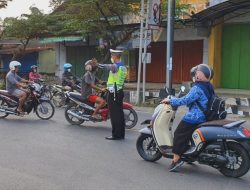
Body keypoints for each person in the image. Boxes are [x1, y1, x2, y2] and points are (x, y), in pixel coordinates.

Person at [161, 63, 214, 172]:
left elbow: (184, 100)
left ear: (198, 75)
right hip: (205, 116)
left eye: (195, 74)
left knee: (179, 134)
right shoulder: (209, 86)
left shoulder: (197, 88)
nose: (194, 76)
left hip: (195, 117)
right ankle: (189, 155)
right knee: (187, 134)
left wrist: (170, 100)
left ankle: (176, 160)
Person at [99, 49, 127, 140]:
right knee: (119, 114)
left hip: (114, 93)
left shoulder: (116, 66)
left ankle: (116, 135)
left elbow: (107, 67)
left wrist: (97, 64)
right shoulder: (123, 67)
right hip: (119, 91)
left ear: (115, 57)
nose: (111, 57)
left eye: (112, 56)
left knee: (114, 115)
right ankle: (121, 134)